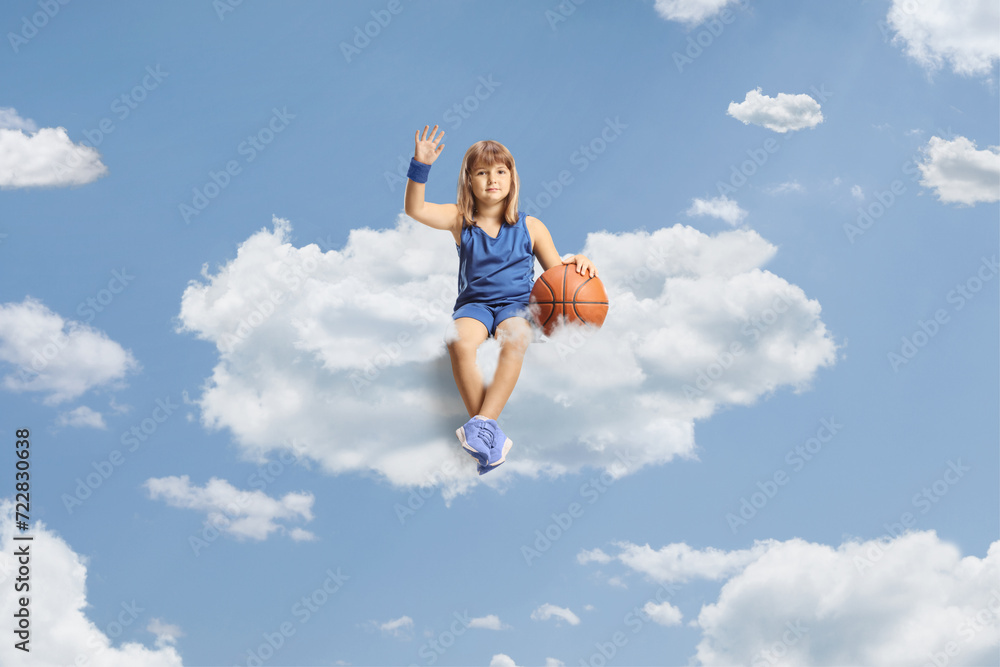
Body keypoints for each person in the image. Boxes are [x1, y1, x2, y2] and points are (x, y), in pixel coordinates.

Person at [403, 124, 598, 475]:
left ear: (512, 178)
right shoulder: (459, 219)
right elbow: (415, 209)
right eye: (482, 172)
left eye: (500, 171)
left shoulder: (531, 226)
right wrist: (422, 165)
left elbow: (558, 276)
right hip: (474, 305)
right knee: (459, 343)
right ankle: (489, 432)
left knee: (516, 337)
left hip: (516, 306)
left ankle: (484, 427)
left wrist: (579, 260)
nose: (492, 179)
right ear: (469, 181)